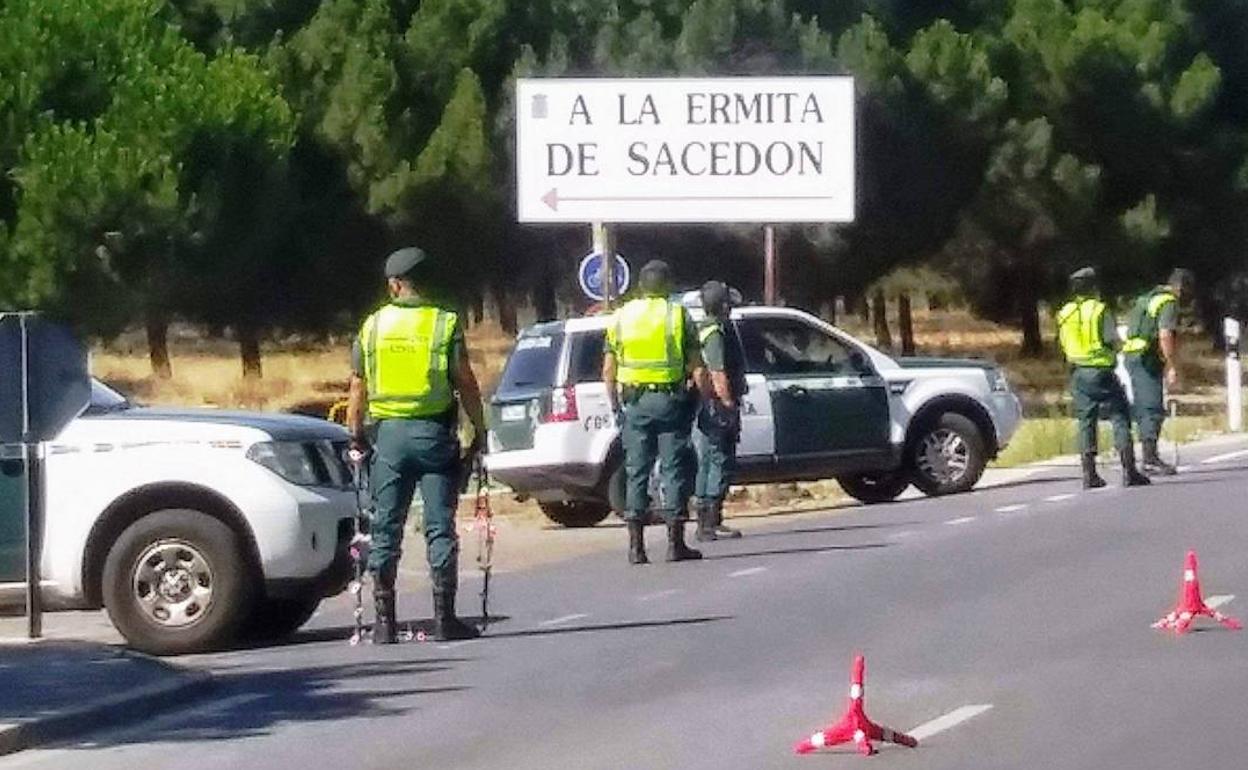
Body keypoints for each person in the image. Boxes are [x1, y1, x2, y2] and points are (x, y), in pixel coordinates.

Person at [346, 246, 487, 643]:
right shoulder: (444, 323)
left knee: (386, 526)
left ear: (394, 285)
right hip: (434, 436)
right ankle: (445, 618)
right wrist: (479, 428)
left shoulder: (372, 326)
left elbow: (357, 387)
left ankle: (383, 622)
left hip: (388, 437)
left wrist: (356, 434)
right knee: (440, 526)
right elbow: (465, 381)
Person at [603, 260, 709, 565]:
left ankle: (636, 547)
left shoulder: (621, 317)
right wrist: (705, 400)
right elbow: (697, 367)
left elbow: (608, 370)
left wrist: (615, 405)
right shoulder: (676, 315)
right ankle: (676, 544)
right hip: (671, 402)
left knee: (637, 470)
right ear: (667, 286)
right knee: (674, 469)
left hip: (634, 403)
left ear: (640, 286)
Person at [1056, 266, 1150, 489]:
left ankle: (1089, 474)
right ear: (1093, 287)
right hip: (1101, 371)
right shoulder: (1099, 310)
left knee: (1086, 421)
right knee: (1119, 415)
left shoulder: (1065, 312)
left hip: (1078, 371)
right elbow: (1111, 340)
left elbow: (1062, 343)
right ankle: (1129, 470)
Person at [1123, 269, 1193, 476]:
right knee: (1152, 407)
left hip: (1133, 355)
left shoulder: (1149, 297)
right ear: (1181, 288)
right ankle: (1150, 458)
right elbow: (1164, 335)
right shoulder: (1168, 303)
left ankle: (1148, 455)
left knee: (1145, 405)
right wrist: (1171, 365)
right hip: (1146, 357)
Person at [693, 280, 746, 541]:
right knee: (719, 459)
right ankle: (710, 521)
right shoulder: (714, 333)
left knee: (709, 459)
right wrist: (727, 405)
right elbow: (717, 373)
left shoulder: (707, 328)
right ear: (722, 305)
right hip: (716, 406)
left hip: (707, 406)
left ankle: (708, 520)